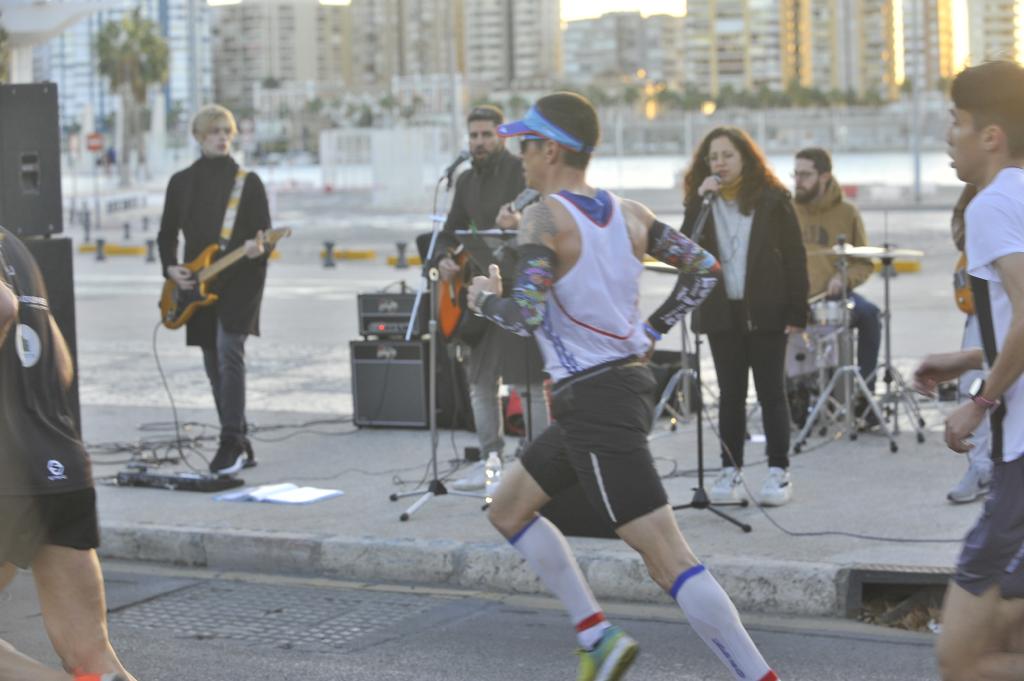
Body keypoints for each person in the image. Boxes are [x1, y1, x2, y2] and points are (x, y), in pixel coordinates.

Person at [467, 92, 779, 681]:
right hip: (616, 390)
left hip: (595, 401)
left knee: (670, 560)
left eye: (525, 145)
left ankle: (760, 677)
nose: (520, 156)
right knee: (508, 509)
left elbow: (526, 314)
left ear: (551, 149)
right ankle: (597, 636)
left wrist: (485, 300)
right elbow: (704, 267)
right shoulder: (631, 213)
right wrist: (653, 329)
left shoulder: (543, 216)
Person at [912, 60, 1024, 681]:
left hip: (1019, 456)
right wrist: (972, 354)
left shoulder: (992, 204)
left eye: (955, 122)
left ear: (990, 136)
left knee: (961, 660)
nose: (947, 136)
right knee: (1006, 636)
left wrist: (978, 401)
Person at [0, 227, 134, 681]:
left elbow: (2, 307)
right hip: (59, 464)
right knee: (92, 660)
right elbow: (59, 367)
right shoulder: (13, 245)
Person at [682, 127, 808, 507]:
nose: (719, 163)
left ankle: (778, 471)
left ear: (745, 158)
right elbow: (684, 249)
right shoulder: (703, 202)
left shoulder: (773, 199)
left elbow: (794, 256)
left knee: (771, 393)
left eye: (727, 155)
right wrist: (698, 202)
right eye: (713, 157)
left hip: (766, 310)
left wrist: (797, 311)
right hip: (723, 312)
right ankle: (729, 469)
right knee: (730, 395)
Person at [429, 105, 548, 490]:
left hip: (518, 291)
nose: (479, 142)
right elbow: (449, 232)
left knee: (527, 383)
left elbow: (547, 221)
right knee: (480, 382)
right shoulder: (464, 182)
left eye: (486, 134)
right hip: (479, 293)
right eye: (474, 136)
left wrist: (519, 222)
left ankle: (537, 462)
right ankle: (489, 460)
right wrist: (443, 258)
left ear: (502, 136)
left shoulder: (522, 172)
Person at [157, 104, 273, 476]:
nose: (222, 137)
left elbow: (264, 236)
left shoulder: (248, 182)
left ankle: (229, 442)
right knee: (212, 364)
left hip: (241, 280)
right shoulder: (181, 182)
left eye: (227, 131)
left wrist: (260, 248)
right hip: (197, 285)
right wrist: (171, 268)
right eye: (214, 131)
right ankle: (239, 439)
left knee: (228, 352)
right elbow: (166, 234)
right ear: (199, 137)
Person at [792, 147, 882, 422]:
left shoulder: (847, 212)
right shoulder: (787, 210)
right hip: (795, 299)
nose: (798, 181)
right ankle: (793, 396)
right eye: (795, 174)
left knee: (870, 315)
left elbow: (864, 262)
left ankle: (864, 396)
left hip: (833, 297)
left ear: (825, 176)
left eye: (805, 175)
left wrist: (843, 279)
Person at [945, 183, 993, 503]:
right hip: (983, 301)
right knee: (971, 383)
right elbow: (960, 232)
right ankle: (981, 467)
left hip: (1005, 302)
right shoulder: (979, 184)